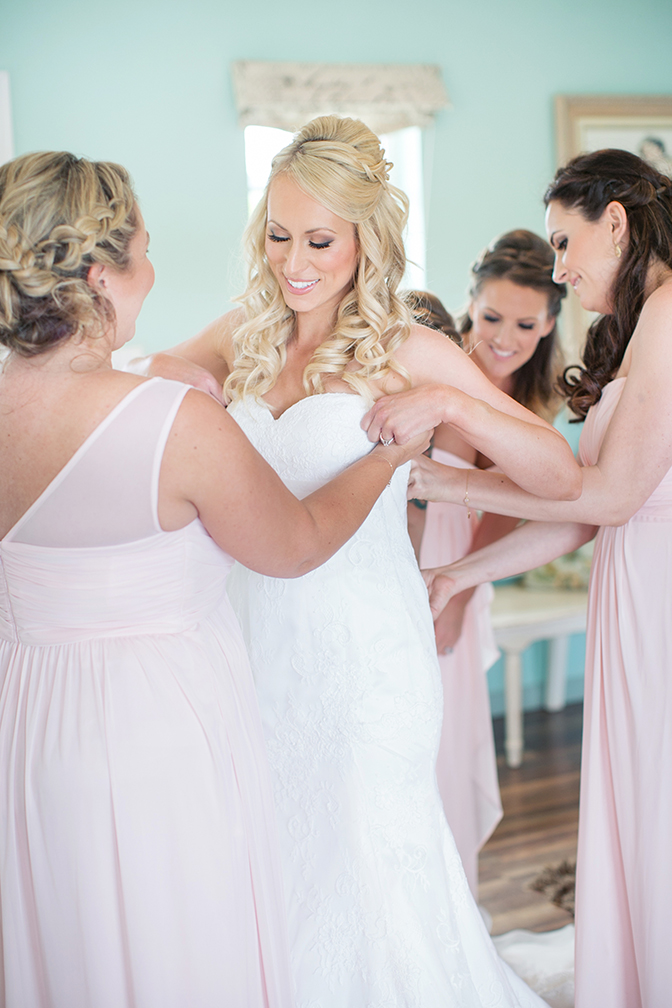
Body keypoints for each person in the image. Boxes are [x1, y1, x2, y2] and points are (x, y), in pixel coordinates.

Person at [139, 114, 580, 1007]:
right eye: (276, 234)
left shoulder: (407, 351)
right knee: (278, 857)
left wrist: (435, 408)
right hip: (254, 645)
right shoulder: (245, 333)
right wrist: (180, 382)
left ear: (365, 242)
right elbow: (150, 382)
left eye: (319, 241)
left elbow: (560, 473)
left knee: (371, 866)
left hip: (364, 656)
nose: (292, 262)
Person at [0, 151, 429, 1008]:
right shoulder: (172, 423)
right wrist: (391, 458)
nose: (153, 272)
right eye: (145, 251)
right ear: (98, 277)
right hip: (154, 730)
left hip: (26, 720)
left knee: (67, 942)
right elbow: (297, 542)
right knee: (174, 947)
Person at [400, 148, 672, 1008]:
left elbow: (615, 495)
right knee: (636, 807)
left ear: (617, 222)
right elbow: (572, 515)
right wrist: (459, 572)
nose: (560, 268)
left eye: (567, 241)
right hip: (633, 598)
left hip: (658, 603)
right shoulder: (640, 326)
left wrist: (449, 470)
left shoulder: (669, 309)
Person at [404, 234, 566, 899]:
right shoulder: (435, 367)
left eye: (525, 324)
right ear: (470, 304)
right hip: (412, 546)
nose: (503, 338)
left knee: (444, 737)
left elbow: (506, 510)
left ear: (550, 323)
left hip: (462, 565)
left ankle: (449, 900)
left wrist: (463, 595)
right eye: (490, 317)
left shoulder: (537, 398)